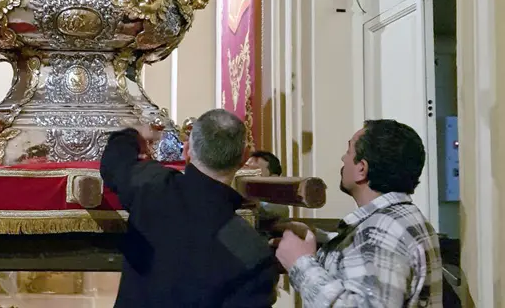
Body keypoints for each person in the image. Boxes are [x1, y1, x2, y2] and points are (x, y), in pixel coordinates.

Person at [100, 109, 279, 308]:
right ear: (244, 158)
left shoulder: (152, 186)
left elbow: (115, 162)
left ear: (187, 151)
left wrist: (133, 134)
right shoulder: (251, 251)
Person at [273, 119, 442, 307]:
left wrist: (301, 264)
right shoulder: (401, 218)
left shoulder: (381, 231)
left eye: (349, 151)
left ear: (362, 169)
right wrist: (317, 239)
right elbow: (362, 258)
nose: (343, 159)